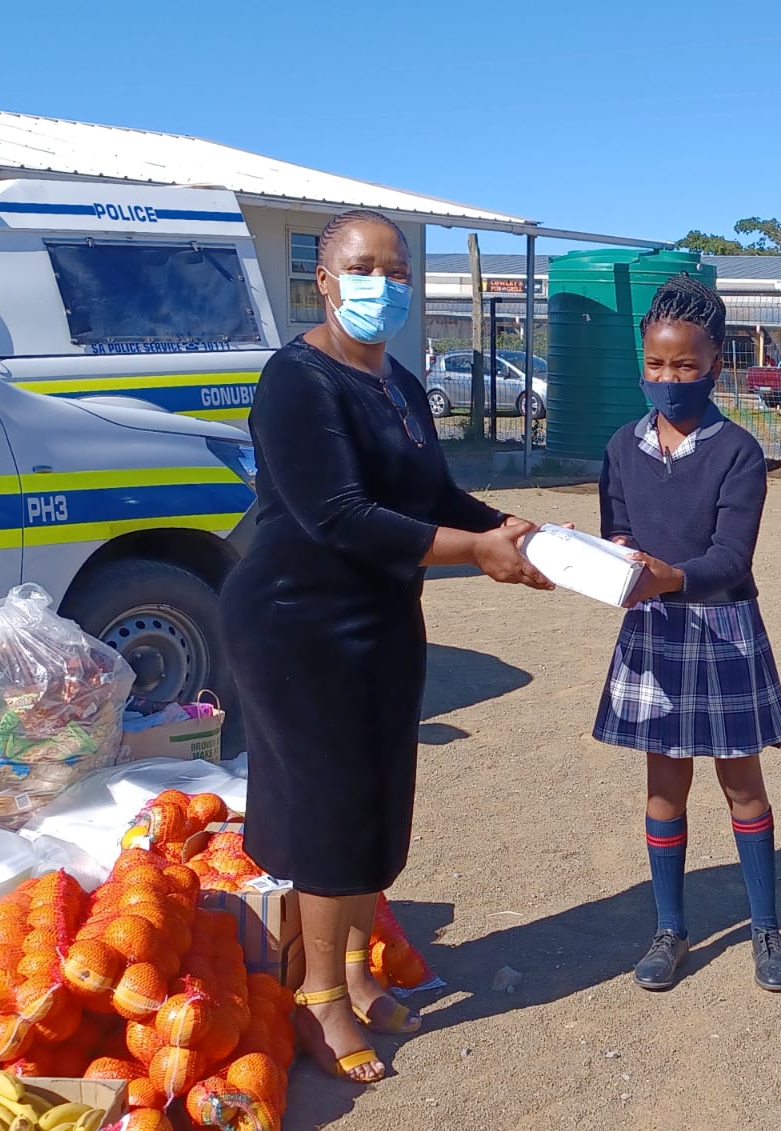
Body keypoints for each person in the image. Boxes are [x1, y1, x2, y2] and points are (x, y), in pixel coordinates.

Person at [219, 208, 553, 1083]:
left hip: (381, 618)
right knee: (330, 808)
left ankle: (361, 973)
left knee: (379, 798)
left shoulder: (400, 384)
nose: (383, 284)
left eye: (396, 269)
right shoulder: (298, 381)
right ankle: (319, 996)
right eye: (362, 269)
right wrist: (475, 553)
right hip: (300, 624)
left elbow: (432, 491)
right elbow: (339, 515)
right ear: (324, 282)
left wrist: (510, 528)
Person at [594, 273, 781, 993]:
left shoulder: (737, 452)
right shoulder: (622, 445)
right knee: (663, 786)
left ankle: (766, 927)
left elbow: (730, 560)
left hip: (722, 629)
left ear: (716, 365)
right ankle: (670, 929)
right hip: (654, 629)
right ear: (641, 362)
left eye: (685, 365)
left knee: (742, 783)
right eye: (656, 363)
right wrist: (609, 560)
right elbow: (614, 525)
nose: (669, 377)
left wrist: (665, 575)